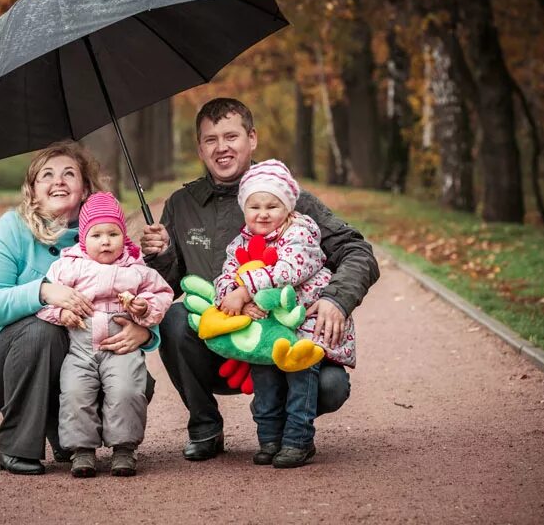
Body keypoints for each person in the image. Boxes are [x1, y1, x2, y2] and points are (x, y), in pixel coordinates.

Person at [141, 97, 379, 461]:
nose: (221, 147)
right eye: (210, 139)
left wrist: (336, 299)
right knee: (175, 318)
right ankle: (205, 426)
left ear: (252, 139)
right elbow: (169, 288)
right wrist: (160, 257)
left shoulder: (290, 198)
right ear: (200, 149)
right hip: (224, 345)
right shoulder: (181, 204)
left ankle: (286, 424)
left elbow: (357, 251)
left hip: (286, 338)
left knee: (330, 387)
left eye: (231, 136)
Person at [0, 142, 159, 476]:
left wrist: (145, 332)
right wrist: (43, 291)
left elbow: (140, 291)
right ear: (33, 191)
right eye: (46, 176)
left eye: (69, 174)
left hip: (82, 357)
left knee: (135, 381)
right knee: (44, 331)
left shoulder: (107, 236)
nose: (58, 181)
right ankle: (16, 446)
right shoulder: (13, 228)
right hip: (4, 356)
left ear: (84, 189)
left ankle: (66, 435)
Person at [215, 159, 356, 468]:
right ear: (244, 209)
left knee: (300, 376)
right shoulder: (239, 243)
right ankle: (269, 438)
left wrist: (245, 290)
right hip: (267, 326)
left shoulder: (301, 234)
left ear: (288, 208)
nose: (263, 214)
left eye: (272, 206)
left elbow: (288, 271)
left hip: (304, 324)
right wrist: (231, 295)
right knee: (265, 379)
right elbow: (226, 277)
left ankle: (298, 440)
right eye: (254, 207)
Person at [36, 192, 173, 477]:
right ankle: (81, 450)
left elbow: (162, 293)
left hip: (121, 348)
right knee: (75, 393)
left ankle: (124, 449)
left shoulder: (135, 267)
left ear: (124, 236)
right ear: (83, 238)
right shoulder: (67, 266)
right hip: (81, 349)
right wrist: (62, 314)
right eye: (97, 234)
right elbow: (45, 301)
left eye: (113, 233)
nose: (106, 241)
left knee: (126, 391)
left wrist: (143, 307)